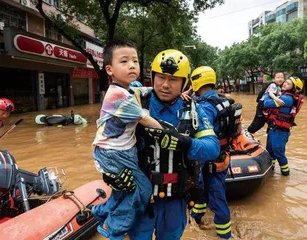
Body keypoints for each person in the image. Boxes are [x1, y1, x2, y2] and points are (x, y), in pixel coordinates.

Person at [98, 49, 220, 239]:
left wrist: (184, 143)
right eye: (161, 77)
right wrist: (110, 175)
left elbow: (212, 148)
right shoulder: (134, 98)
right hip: (139, 198)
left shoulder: (194, 110)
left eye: (173, 79)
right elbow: (106, 140)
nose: (165, 85)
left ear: (184, 82)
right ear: (152, 76)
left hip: (175, 200)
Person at [91, 40, 163, 240]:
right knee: (142, 188)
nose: (132, 65)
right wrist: (172, 135)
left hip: (123, 150)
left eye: (135, 61)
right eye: (124, 61)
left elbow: (144, 91)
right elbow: (146, 119)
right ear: (109, 69)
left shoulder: (129, 88)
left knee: (124, 189)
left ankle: (101, 211)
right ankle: (113, 228)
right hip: (113, 153)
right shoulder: (119, 96)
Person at [188, 66, 241, 239]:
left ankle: (224, 235)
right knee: (201, 189)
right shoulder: (223, 100)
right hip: (222, 155)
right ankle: (197, 217)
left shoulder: (205, 106)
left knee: (216, 199)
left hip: (210, 159)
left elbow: (201, 132)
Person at [263, 76, 304, 176]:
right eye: (286, 82)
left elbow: (266, 103)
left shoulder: (287, 99)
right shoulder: (282, 95)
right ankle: (271, 170)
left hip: (281, 131)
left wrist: (270, 93)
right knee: (270, 150)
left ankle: (285, 173)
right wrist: (273, 95)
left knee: (278, 151)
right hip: (273, 128)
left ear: (294, 88)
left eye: (288, 84)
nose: (285, 84)